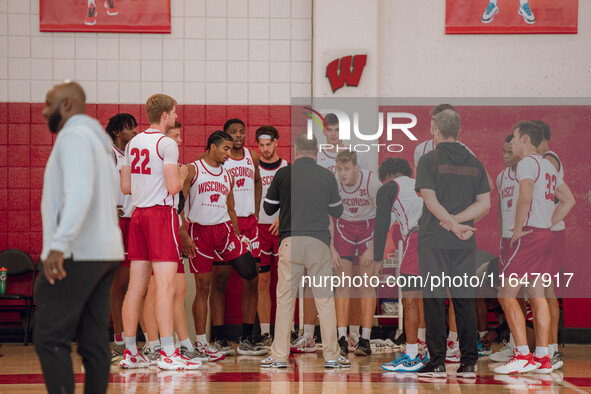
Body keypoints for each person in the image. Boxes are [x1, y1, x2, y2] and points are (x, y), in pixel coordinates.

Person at [34, 81, 124, 394]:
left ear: (68, 105)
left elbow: (79, 191)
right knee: (93, 340)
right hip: (106, 251)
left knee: (48, 335)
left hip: (78, 251)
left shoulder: (72, 135)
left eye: (49, 103)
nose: (44, 111)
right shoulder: (98, 140)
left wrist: (58, 244)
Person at [119, 94, 199, 370]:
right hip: (160, 215)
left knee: (136, 287)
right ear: (165, 114)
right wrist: (185, 173)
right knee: (165, 286)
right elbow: (174, 187)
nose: (176, 117)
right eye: (175, 113)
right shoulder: (166, 144)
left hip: (137, 215)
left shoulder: (133, 142)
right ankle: (167, 352)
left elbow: (126, 187)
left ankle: (130, 351)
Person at [260, 133, 350, 369]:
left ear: (296, 151)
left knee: (285, 300)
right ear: (317, 152)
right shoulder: (327, 175)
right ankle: (332, 356)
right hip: (319, 243)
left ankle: (279, 356)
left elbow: (268, 209)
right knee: (325, 300)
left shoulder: (283, 173)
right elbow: (338, 211)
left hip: (290, 241)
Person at [415, 109, 491, 378]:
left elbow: (430, 201)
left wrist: (451, 222)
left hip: (434, 241)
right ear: (458, 130)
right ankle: (469, 363)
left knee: (435, 301)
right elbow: (485, 204)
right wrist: (459, 223)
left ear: (435, 128)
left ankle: (436, 363)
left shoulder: (428, 160)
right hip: (464, 242)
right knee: (464, 300)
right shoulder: (474, 162)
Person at [494, 122, 575, 375]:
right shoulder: (548, 166)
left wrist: (518, 229)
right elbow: (568, 200)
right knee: (537, 295)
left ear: (525, 139)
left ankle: (522, 355)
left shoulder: (528, 162)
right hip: (544, 236)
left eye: (515, 138)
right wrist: (546, 224)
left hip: (528, 236)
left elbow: (525, 197)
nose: (513, 143)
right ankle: (542, 356)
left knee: (505, 295)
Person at [180, 130, 259, 361]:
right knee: (203, 288)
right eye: (225, 148)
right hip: (200, 233)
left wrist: (238, 235)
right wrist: (183, 233)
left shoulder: (227, 175)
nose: (229, 152)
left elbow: (231, 208)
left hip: (224, 231)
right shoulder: (193, 170)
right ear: (212, 147)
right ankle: (202, 342)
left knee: (250, 272)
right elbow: (179, 203)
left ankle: (245, 337)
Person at [141, 120, 209, 365]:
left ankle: (184, 343)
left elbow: (177, 204)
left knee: (177, 290)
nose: (180, 141)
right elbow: (168, 192)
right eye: (176, 135)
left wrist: (181, 229)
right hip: (155, 225)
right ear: (163, 135)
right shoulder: (158, 164)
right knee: (153, 290)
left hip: (170, 225)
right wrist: (180, 177)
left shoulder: (171, 164)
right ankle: (153, 345)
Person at [207, 118, 266, 356]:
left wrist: (256, 209)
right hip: (226, 225)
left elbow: (258, 181)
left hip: (250, 223)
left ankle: (247, 338)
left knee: (253, 281)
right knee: (219, 280)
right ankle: (220, 338)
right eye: (234, 133)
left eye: (242, 132)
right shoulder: (220, 157)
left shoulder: (252, 157)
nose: (239, 136)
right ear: (226, 136)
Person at [374, 158, 426, 372]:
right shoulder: (420, 186)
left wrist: (378, 258)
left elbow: (381, 224)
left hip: (418, 239)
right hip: (439, 239)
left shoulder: (391, 187)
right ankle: (427, 348)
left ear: (387, 176)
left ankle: (412, 355)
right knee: (426, 299)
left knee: (410, 300)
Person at [332, 151, 381, 356]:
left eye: (346, 169)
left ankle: (365, 339)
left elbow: (385, 214)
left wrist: (373, 248)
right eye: (339, 169)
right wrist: (331, 247)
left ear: (355, 168)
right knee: (342, 282)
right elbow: (327, 214)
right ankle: (341, 338)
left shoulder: (371, 182)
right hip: (343, 227)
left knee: (366, 283)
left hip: (368, 227)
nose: (342, 173)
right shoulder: (334, 182)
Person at [105, 113, 138, 363]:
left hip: (134, 220)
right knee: (119, 284)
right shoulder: (107, 152)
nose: (135, 130)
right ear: (117, 132)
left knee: (133, 284)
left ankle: (130, 339)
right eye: (130, 127)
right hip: (116, 223)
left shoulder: (134, 153)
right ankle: (119, 340)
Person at [534, 120, 566, 370]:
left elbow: (558, 196)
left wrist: (545, 223)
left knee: (547, 291)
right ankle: (546, 348)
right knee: (542, 291)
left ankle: (552, 349)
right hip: (547, 232)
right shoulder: (542, 160)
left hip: (551, 232)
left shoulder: (548, 160)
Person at [255, 126, 289, 347]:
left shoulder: (287, 168)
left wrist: (283, 217)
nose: (265, 149)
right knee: (263, 281)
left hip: (282, 229)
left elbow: (294, 198)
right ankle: (265, 333)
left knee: (286, 282)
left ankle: (286, 331)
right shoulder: (253, 168)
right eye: (261, 145)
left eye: (269, 144)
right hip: (259, 229)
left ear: (276, 142)